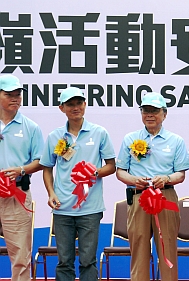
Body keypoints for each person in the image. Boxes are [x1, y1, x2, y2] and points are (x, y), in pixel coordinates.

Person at [40, 87, 116, 281]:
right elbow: (47, 167)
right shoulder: (54, 136)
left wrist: (93, 172)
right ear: (61, 108)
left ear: (85, 105)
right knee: (64, 261)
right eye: (70, 104)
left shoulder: (99, 132)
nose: (75, 108)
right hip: (62, 207)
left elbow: (111, 166)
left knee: (88, 261)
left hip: (90, 208)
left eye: (79, 103)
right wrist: (51, 193)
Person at [116, 92, 189, 281]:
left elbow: (181, 174)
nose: (149, 115)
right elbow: (120, 171)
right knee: (139, 248)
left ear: (164, 114)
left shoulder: (176, 141)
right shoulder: (129, 139)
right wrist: (133, 180)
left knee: (168, 248)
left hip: (165, 197)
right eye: (145, 110)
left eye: (154, 111)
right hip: (138, 197)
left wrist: (166, 178)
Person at [0, 74, 43, 281]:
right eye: (9, 95)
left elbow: (40, 161)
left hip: (16, 194)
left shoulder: (31, 127)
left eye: (18, 95)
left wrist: (21, 170)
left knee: (20, 253)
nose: (15, 98)